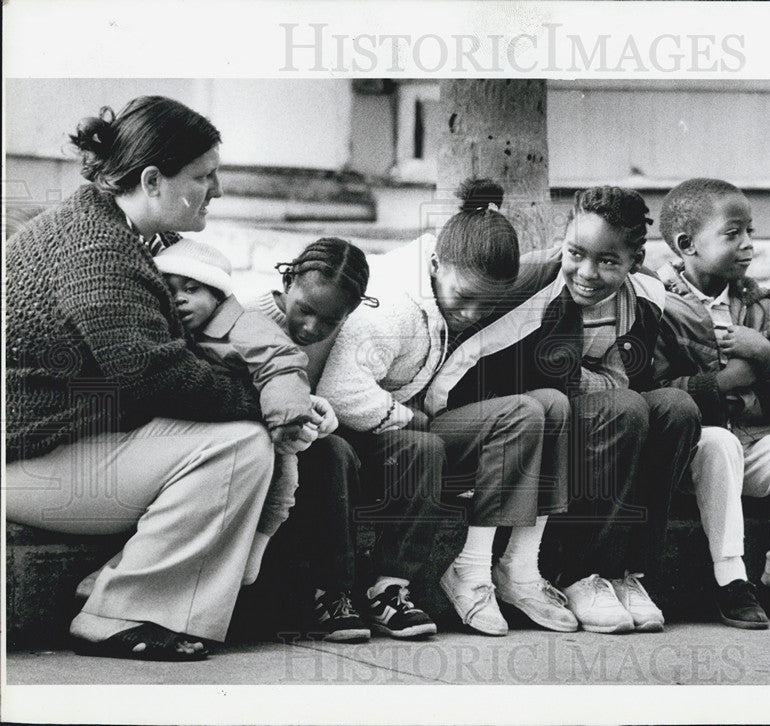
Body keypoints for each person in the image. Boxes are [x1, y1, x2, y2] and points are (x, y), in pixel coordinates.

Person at [5, 96, 317, 661]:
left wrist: (281, 385)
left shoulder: (108, 230)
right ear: (153, 180)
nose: (216, 190)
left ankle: (115, 592)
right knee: (241, 447)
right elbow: (159, 377)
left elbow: (175, 358)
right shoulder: (96, 249)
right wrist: (268, 405)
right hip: (25, 462)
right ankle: (122, 613)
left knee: (239, 440)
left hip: (53, 447)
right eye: (203, 175)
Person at [427, 186, 700, 634]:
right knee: (625, 409)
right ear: (563, 241)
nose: (587, 272)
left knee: (677, 408)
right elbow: (457, 364)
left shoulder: (647, 294)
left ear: (635, 260)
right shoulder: (531, 281)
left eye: (609, 261)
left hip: (577, 410)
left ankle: (626, 574)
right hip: (515, 417)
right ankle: (579, 573)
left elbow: (627, 374)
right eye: (576, 252)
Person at [321, 179, 576, 636]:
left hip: (404, 427)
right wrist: (408, 417)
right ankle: (436, 578)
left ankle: (503, 569)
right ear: (435, 265)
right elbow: (341, 391)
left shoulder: (455, 278)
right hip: (360, 435)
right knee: (451, 438)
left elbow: (542, 272)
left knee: (543, 408)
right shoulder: (394, 307)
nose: (474, 313)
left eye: (487, 303)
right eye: (465, 299)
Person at [654, 178, 770, 627]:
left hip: (753, 443)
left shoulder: (760, 304)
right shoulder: (656, 304)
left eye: (749, 231)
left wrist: (766, 357)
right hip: (692, 454)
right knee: (719, 444)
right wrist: (726, 380)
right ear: (686, 244)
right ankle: (731, 580)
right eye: (733, 234)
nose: (749, 244)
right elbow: (655, 389)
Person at [247, 237, 440, 640]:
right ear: (288, 281)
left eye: (330, 321)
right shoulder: (250, 322)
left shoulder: (349, 328)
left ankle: (389, 591)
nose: (312, 327)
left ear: (350, 313)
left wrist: (328, 414)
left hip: (325, 432)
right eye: (305, 310)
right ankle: (330, 593)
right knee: (333, 453)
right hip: (281, 444)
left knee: (421, 448)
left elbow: (347, 390)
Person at [153, 238, 338, 585]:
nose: (179, 298)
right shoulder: (174, 332)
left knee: (283, 480)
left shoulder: (245, 325)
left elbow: (280, 364)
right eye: (169, 290)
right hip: (212, 428)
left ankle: (255, 552)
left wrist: (287, 419)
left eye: (191, 289)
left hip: (268, 423)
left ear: (218, 295)